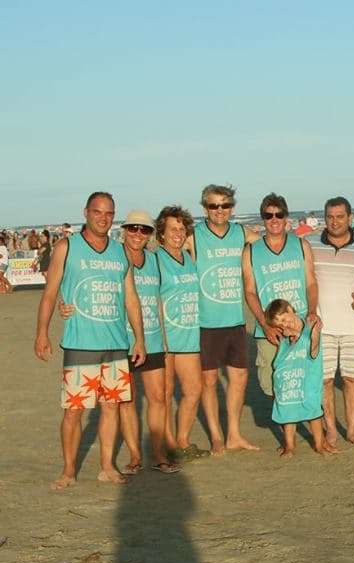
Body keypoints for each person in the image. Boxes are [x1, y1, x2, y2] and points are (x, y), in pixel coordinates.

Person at [34, 191, 146, 489]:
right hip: (81, 343)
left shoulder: (121, 252)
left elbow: (131, 299)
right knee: (74, 411)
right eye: (98, 211)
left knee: (110, 408)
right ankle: (69, 470)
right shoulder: (66, 247)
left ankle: (107, 466)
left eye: (109, 213)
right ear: (86, 212)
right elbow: (49, 293)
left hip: (115, 344)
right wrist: (42, 332)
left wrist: (140, 339)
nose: (103, 218)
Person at [59, 211, 181, 474]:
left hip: (152, 340)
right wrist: (65, 303)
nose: (138, 234)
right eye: (133, 229)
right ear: (124, 229)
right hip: (118, 340)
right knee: (126, 402)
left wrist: (165, 341)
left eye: (144, 230)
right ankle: (136, 456)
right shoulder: (114, 256)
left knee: (159, 398)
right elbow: (77, 279)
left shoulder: (155, 259)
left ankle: (159, 455)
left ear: (150, 235)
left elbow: (159, 299)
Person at [186, 184, 261, 454]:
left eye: (225, 205)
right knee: (208, 382)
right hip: (205, 323)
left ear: (232, 207)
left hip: (235, 321)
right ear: (204, 208)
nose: (219, 211)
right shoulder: (194, 236)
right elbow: (161, 252)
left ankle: (234, 434)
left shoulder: (242, 234)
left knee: (239, 378)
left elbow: (275, 246)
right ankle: (216, 437)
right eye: (213, 206)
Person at [306, 196, 354, 446]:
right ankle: (331, 431)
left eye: (339, 216)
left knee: (351, 379)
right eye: (330, 216)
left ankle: (353, 430)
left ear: (350, 217)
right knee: (324, 380)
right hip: (321, 326)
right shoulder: (310, 244)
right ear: (324, 218)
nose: (334, 221)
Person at [242, 193, 318, 401]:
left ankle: (316, 431)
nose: (274, 219)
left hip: (300, 324)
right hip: (270, 329)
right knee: (274, 386)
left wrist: (311, 312)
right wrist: (265, 325)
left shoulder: (301, 245)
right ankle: (288, 433)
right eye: (268, 215)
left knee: (306, 382)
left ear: (286, 217)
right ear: (263, 218)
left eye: (279, 214)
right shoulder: (251, 251)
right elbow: (250, 292)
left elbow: (311, 282)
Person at [155, 206, 208, 463]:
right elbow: (151, 299)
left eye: (182, 229)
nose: (178, 233)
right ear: (161, 233)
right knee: (164, 393)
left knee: (193, 389)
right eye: (172, 229)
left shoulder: (190, 257)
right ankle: (167, 443)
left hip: (189, 336)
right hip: (165, 338)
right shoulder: (155, 258)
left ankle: (183, 440)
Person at [264, 298, 338, 457]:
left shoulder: (309, 326)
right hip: (289, 383)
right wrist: (287, 337)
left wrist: (311, 333)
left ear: (291, 310)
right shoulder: (284, 337)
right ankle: (289, 445)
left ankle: (319, 444)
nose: (285, 325)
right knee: (288, 411)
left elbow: (314, 347)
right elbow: (280, 359)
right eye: (280, 325)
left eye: (285, 320)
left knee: (313, 411)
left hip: (307, 380)